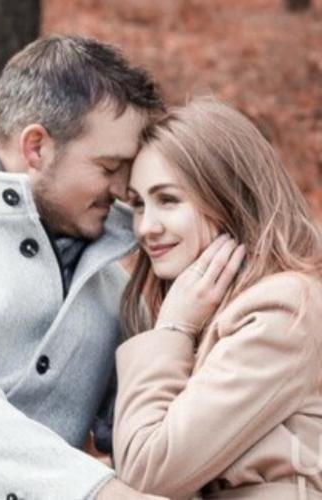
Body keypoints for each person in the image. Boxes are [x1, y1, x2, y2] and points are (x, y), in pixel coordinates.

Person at [0, 34, 172, 500]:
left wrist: (181, 323)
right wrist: (99, 493)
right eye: (109, 167)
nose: (123, 190)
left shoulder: (116, 287)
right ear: (36, 147)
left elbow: (153, 437)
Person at [113, 96, 322, 500]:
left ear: (227, 197)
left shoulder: (283, 309)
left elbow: (147, 471)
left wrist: (173, 328)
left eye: (168, 199)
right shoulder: (218, 311)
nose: (146, 227)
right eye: (138, 204)